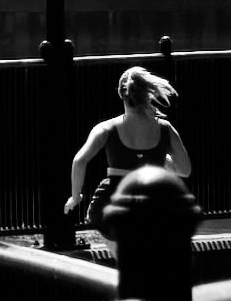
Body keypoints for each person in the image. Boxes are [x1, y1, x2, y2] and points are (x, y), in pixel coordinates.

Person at [68, 63, 193, 240]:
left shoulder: (106, 128)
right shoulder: (165, 128)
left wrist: (75, 197)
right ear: (148, 95)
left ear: (121, 94)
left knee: (119, 243)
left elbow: (79, 161)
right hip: (151, 205)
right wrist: (159, 158)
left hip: (112, 204)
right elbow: (185, 170)